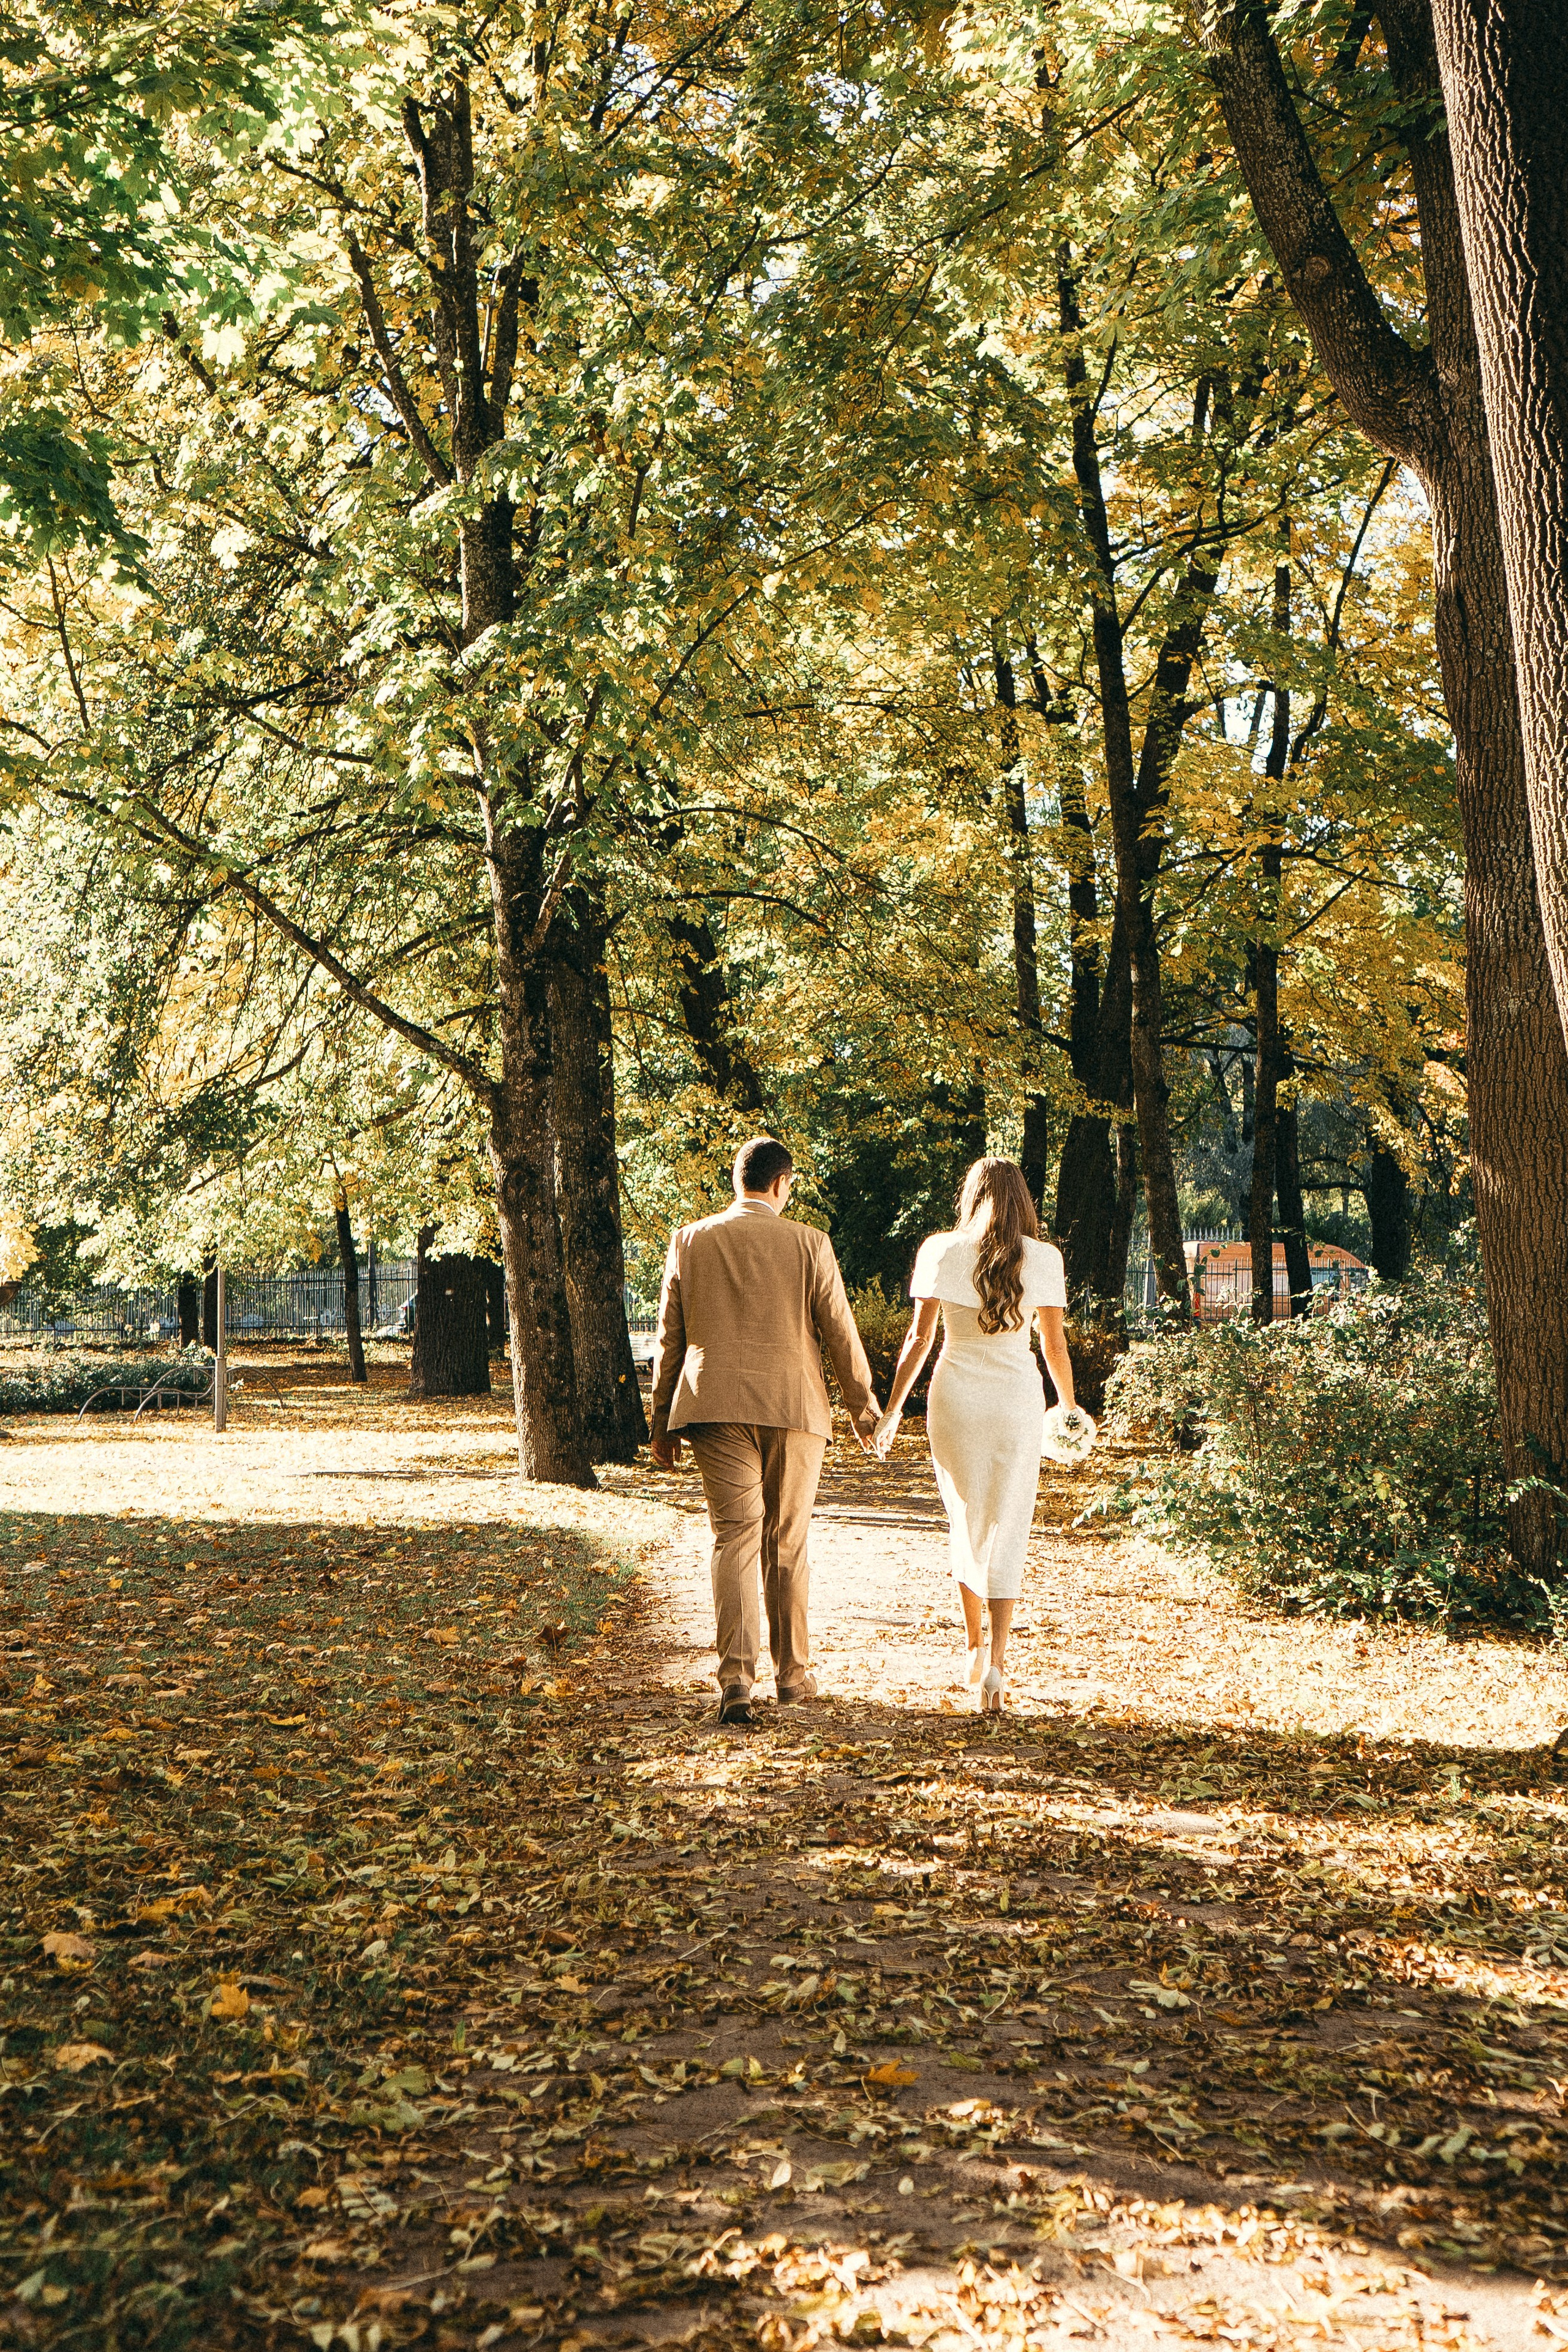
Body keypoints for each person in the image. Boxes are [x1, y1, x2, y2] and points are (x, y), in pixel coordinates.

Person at [649, 1136, 880, 1726]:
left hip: (714, 1405)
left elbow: (670, 1338)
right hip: (793, 1405)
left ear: (739, 1181)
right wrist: (862, 1407)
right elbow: (839, 1330)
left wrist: (660, 1423)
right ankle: (793, 1676)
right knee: (787, 1541)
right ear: (782, 1184)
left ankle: (735, 1681)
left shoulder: (691, 1241)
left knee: (734, 1539)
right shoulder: (810, 1243)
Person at [873, 1158, 1076, 1713]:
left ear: (970, 1196)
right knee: (1009, 1519)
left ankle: (972, 1646)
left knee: (964, 1514)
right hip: (1016, 1399)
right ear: (1024, 1200)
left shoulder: (941, 1249)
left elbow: (919, 1339)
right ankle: (1000, 1666)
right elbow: (1053, 1347)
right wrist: (1070, 1405)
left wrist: (892, 1411)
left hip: (956, 1393)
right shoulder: (1045, 1259)